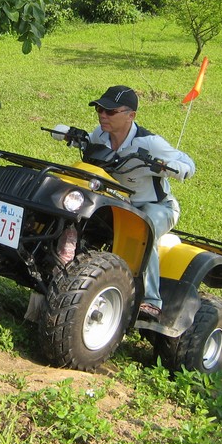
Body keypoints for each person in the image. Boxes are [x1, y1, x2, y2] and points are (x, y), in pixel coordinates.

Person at [87, 85, 195, 320]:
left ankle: (151, 301)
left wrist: (175, 169)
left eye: (110, 112)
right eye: (99, 109)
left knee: (142, 227)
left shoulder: (150, 143)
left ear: (131, 115)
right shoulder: (100, 135)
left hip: (157, 207)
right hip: (118, 204)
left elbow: (188, 163)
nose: (102, 116)